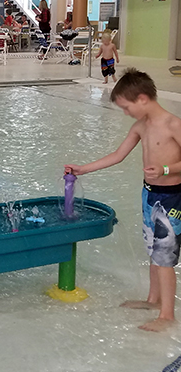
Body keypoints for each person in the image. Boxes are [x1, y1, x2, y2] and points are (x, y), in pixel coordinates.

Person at [65, 69, 181, 333]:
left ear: (141, 99)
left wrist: (166, 170)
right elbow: (118, 155)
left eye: (127, 107)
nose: (126, 113)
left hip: (172, 198)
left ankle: (167, 315)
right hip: (149, 194)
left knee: (165, 256)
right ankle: (153, 300)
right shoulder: (140, 126)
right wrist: (84, 169)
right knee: (153, 249)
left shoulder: (173, 124)